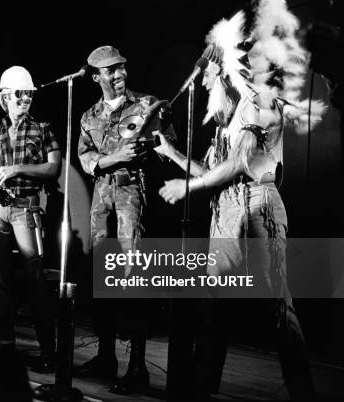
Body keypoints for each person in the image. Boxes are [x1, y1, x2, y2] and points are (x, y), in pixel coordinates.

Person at [155, 1, 324, 398]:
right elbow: (213, 172)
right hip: (227, 210)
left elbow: (238, 164)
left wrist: (188, 188)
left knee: (277, 309)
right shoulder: (226, 122)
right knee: (212, 306)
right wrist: (173, 156)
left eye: (209, 75)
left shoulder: (258, 103)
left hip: (257, 206)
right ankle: (199, 390)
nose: (203, 83)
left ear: (225, 69)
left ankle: (304, 393)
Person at [76, 45, 176, 395]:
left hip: (133, 197)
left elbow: (170, 151)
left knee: (133, 280)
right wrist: (113, 156)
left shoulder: (148, 105)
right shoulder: (88, 116)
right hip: (102, 199)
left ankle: (137, 368)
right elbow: (86, 158)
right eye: (110, 71)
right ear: (95, 77)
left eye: (122, 68)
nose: (119, 75)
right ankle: (105, 357)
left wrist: (150, 148)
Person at [0, 66, 60, 373]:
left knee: (35, 279)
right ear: (6, 97)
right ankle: (5, 344)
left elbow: (53, 170)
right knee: (1, 280)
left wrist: (18, 169)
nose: (26, 99)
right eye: (20, 94)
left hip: (26, 209)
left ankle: (49, 350)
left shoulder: (43, 128)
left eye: (29, 94)